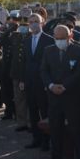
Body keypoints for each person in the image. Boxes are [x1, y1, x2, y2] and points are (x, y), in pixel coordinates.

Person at [40, 25, 80, 159]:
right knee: (55, 128)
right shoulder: (49, 50)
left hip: (72, 96)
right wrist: (50, 85)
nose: (60, 41)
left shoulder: (79, 50)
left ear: (70, 37)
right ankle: (56, 158)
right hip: (54, 96)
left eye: (63, 38)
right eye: (57, 38)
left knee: (78, 130)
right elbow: (44, 70)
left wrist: (65, 86)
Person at [23, 13, 54, 150]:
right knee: (33, 111)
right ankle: (36, 138)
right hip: (30, 82)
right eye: (31, 22)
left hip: (43, 83)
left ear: (42, 23)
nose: (34, 24)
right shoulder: (27, 40)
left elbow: (52, 65)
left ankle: (47, 141)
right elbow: (25, 62)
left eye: (36, 21)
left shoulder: (49, 40)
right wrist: (23, 80)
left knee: (45, 112)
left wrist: (49, 83)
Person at [9, 16, 30, 132]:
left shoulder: (32, 37)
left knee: (30, 99)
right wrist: (12, 27)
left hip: (28, 73)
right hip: (16, 72)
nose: (23, 28)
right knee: (19, 99)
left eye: (25, 26)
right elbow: (2, 40)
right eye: (21, 25)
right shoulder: (14, 36)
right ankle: (21, 122)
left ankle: (30, 122)